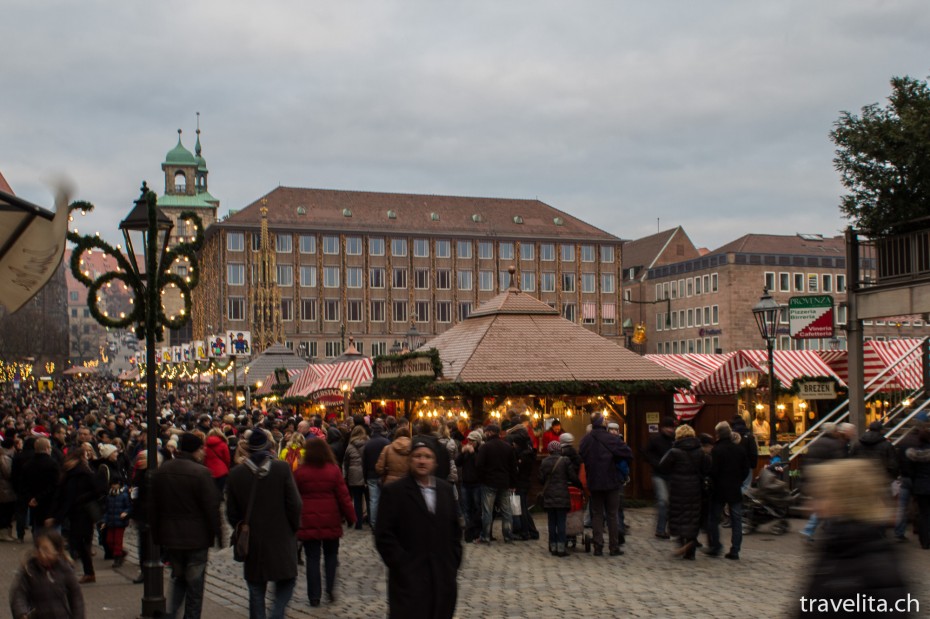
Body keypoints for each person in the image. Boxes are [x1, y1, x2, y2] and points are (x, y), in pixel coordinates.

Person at [794, 459, 911, 618]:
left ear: (843, 500)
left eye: (821, 496)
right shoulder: (836, 545)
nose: (811, 505)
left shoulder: (873, 563)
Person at [375, 437, 462, 619]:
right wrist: (402, 564)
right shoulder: (395, 491)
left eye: (427, 456)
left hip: (441, 577)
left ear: (435, 462)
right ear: (410, 460)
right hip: (409, 578)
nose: (422, 461)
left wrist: (452, 563)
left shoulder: (445, 490)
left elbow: (455, 531)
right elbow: (384, 535)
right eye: (418, 456)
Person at [226, 429, 302, 619]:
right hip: (281, 536)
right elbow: (295, 504)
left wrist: (243, 526)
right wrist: (293, 528)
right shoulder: (282, 469)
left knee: (256, 589)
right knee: (286, 582)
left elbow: (231, 513)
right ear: (269, 448)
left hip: (253, 541)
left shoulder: (236, 474)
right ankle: (276, 614)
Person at [152, 432, 223, 619]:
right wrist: (218, 533)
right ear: (196, 450)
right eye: (202, 449)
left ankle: (171, 612)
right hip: (196, 538)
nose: (204, 453)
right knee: (195, 584)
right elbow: (211, 506)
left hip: (171, 536)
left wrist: (157, 534)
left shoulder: (163, 470)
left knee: (178, 577)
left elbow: (154, 505)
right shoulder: (201, 473)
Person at [293, 437, 355, 607]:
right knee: (331, 555)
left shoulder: (300, 472)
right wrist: (351, 517)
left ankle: (314, 596)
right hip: (331, 518)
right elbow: (343, 497)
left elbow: (293, 497)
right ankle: (329, 588)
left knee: (312, 558)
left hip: (308, 519)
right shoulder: (333, 470)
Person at [579, 414, 631, 556]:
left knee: (596, 514)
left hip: (594, 481)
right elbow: (627, 453)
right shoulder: (611, 438)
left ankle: (598, 546)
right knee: (612, 514)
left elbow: (580, 454)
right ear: (602, 423)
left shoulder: (586, 440)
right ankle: (613, 547)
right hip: (611, 480)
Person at [659, 424, 710, 560]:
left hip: (678, 489)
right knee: (692, 517)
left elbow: (662, 466)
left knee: (679, 515)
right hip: (695, 489)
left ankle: (681, 541)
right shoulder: (700, 452)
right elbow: (707, 469)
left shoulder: (674, 452)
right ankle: (690, 551)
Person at [50, 447, 101, 584]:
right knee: (76, 543)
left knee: (79, 543)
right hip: (74, 512)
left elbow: (97, 491)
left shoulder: (83, 473)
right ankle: (82, 571)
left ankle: (87, 572)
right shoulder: (71, 473)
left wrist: (81, 499)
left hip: (82, 513)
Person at [9, 529, 85, 619]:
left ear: (57, 551)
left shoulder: (65, 569)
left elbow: (76, 597)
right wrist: (22, 613)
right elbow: (18, 594)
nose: (42, 554)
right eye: (39, 549)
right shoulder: (29, 570)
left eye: (46, 550)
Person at [705, 422, 749, 560]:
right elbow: (745, 470)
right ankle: (735, 550)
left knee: (714, 518)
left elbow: (713, 470)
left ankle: (716, 546)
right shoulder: (739, 449)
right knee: (736, 519)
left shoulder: (716, 450)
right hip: (734, 488)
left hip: (719, 489)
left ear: (718, 434)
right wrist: (739, 480)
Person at [801, 422, 846, 542]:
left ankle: (810, 530)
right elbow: (839, 463)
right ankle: (821, 532)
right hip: (828, 480)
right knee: (829, 508)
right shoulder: (835, 444)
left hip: (816, 479)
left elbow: (807, 461)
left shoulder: (814, 443)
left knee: (821, 507)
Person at [475, 424, 517, 544]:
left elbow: (479, 465)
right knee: (506, 511)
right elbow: (513, 468)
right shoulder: (508, 447)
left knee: (487, 511)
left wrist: (482, 478)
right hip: (504, 482)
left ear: (489, 432)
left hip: (488, 482)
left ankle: (485, 536)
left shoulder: (485, 447)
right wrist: (513, 483)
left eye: (486, 431)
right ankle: (508, 536)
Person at [539, 440, 581, 557]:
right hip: (562, 495)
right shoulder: (565, 461)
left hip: (549, 496)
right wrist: (579, 485)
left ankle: (553, 546)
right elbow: (572, 476)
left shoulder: (544, 462)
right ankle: (561, 548)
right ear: (560, 450)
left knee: (551, 522)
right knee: (561, 522)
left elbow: (541, 480)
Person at [644, 417, 675, 539]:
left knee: (671, 502)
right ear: (663, 428)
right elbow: (646, 453)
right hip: (658, 474)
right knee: (663, 501)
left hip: (672, 474)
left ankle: (670, 527)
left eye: (671, 427)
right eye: (668, 427)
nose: (670, 430)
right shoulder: (655, 440)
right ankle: (660, 529)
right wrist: (655, 463)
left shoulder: (674, 440)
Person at [901, 426, 930, 549]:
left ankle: (925, 541)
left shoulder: (913, 454)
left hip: (920, 486)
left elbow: (909, 471)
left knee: (924, 514)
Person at [456, 429, 484, 543]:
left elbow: (479, 465)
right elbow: (457, 463)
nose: (470, 443)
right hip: (465, 484)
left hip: (477, 484)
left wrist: (473, 453)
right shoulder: (466, 451)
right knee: (466, 509)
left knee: (477, 509)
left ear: (477, 442)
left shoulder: (481, 451)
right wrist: (462, 453)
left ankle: (477, 532)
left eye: (472, 441)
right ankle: (468, 532)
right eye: (469, 440)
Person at [361, 420, 390, 530]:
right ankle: (384, 521)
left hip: (371, 474)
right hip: (384, 474)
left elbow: (364, 462)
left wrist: (364, 477)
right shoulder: (386, 442)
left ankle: (373, 523)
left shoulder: (368, 444)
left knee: (374, 499)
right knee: (385, 499)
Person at [341, 424, 368, 530]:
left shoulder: (350, 446)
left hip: (354, 474)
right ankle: (370, 520)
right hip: (365, 474)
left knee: (357, 499)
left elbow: (345, 462)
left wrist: (345, 475)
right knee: (368, 498)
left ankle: (358, 523)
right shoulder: (368, 444)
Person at [204, 427, 231, 495]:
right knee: (219, 491)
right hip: (221, 471)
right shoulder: (223, 444)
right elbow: (227, 459)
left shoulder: (205, 445)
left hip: (208, 471)